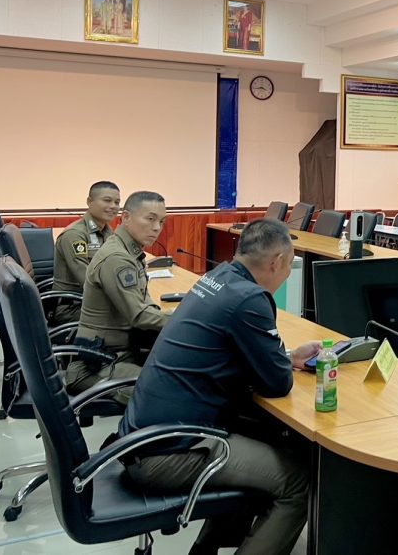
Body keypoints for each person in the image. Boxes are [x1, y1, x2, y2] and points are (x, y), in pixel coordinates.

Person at [117, 218, 319, 555]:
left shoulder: (217, 278)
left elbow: (226, 348)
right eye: (288, 266)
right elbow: (277, 384)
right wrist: (280, 363)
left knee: (264, 440)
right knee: (297, 481)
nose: (286, 274)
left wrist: (285, 356)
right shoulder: (250, 298)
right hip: (166, 453)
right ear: (277, 262)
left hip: (143, 437)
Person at [67, 191, 170, 402]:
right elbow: (139, 316)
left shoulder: (129, 251)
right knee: (169, 395)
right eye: (150, 219)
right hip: (99, 365)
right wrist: (186, 320)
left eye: (161, 221)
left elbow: (145, 304)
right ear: (126, 218)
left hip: (118, 353)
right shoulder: (118, 258)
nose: (157, 228)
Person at [51, 181, 120, 323]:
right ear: (89, 202)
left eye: (117, 202)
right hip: (72, 307)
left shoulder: (107, 231)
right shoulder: (75, 235)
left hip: (94, 302)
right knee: (135, 320)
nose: (113, 206)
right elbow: (87, 280)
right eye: (107, 200)